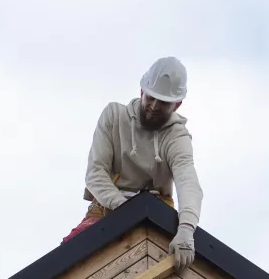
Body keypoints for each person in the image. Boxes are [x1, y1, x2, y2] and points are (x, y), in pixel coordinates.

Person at [67, 57, 203, 267]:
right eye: (151, 98)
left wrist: (186, 229)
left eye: (164, 102)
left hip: (157, 212)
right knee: (70, 257)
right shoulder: (114, 116)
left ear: (177, 105)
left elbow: (188, 182)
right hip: (107, 207)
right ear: (142, 92)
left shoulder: (177, 137)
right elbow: (96, 172)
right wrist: (127, 210)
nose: (154, 107)